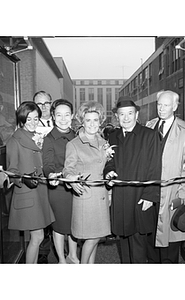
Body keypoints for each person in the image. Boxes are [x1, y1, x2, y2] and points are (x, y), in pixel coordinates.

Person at [103, 95, 161, 263]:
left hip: (140, 196)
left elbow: (155, 167)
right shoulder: (113, 136)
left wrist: (150, 196)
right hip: (121, 197)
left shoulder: (150, 135)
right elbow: (109, 162)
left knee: (138, 242)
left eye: (130, 113)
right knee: (123, 240)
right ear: (117, 117)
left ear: (137, 115)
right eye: (122, 114)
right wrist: (109, 172)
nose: (126, 118)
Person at [146, 90, 185, 263]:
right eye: (159, 104)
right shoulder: (149, 125)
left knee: (171, 235)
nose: (161, 109)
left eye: (166, 105)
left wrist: (183, 196)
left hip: (173, 193)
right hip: (151, 192)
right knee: (152, 233)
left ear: (175, 106)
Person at [6, 101, 55, 263]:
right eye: (29, 119)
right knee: (38, 236)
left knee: (38, 236)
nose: (33, 123)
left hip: (40, 193)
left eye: (36, 119)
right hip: (27, 193)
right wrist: (24, 178)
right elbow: (11, 171)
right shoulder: (15, 141)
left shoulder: (37, 137)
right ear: (21, 121)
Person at [63, 101, 111, 264]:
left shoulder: (104, 143)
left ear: (100, 121)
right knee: (92, 237)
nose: (92, 124)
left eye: (95, 120)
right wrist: (72, 180)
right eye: (88, 120)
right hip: (86, 198)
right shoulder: (74, 144)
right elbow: (67, 170)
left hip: (102, 196)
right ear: (82, 122)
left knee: (96, 237)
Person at [42, 99, 79, 264]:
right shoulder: (49, 138)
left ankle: (73, 255)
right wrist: (51, 176)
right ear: (53, 116)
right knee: (59, 225)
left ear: (72, 116)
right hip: (58, 187)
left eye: (66, 115)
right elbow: (48, 164)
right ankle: (62, 260)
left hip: (75, 186)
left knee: (74, 223)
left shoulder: (77, 135)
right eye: (59, 115)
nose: (63, 119)